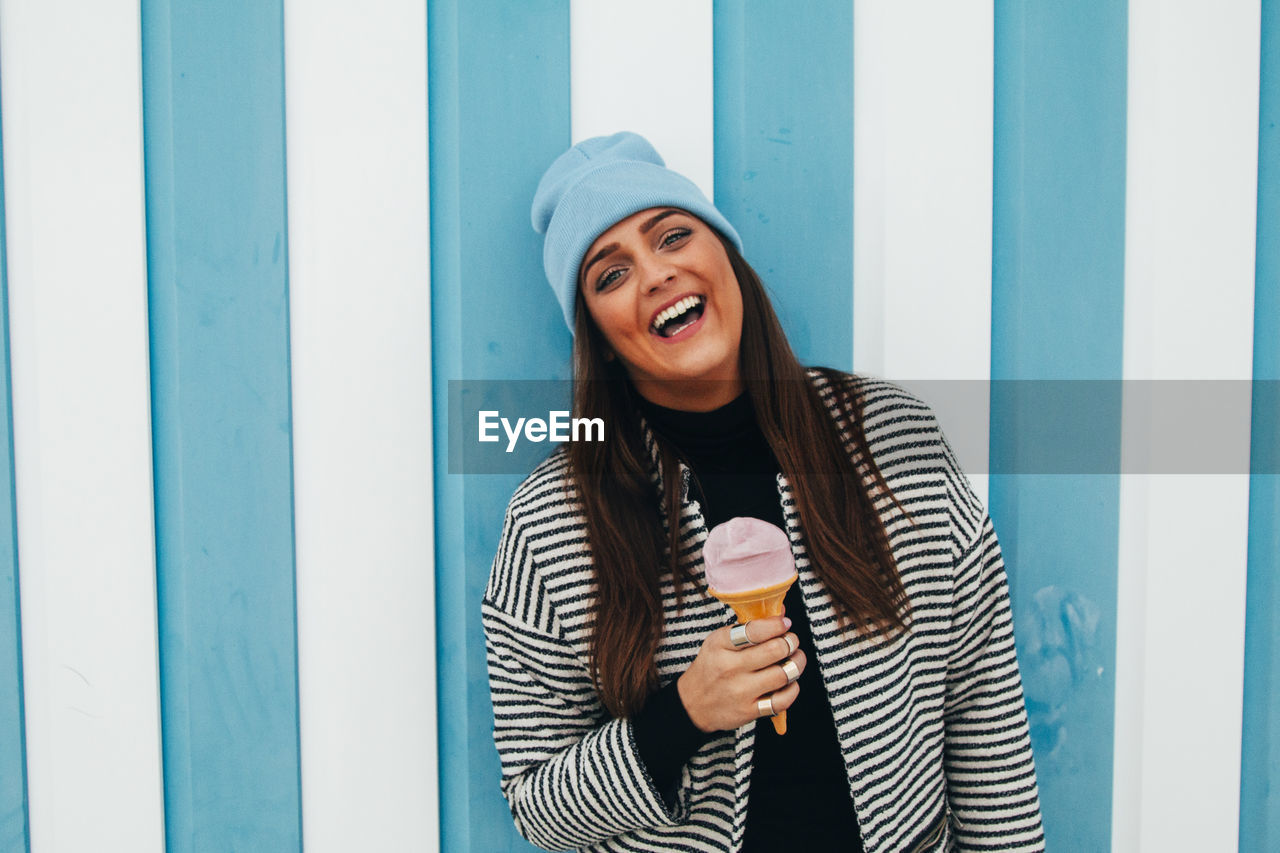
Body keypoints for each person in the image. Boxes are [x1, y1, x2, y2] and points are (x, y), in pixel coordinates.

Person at [482, 131, 1045, 852]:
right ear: (597, 331)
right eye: (610, 274)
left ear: (726, 254)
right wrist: (681, 715)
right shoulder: (551, 520)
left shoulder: (894, 436)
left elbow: (982, 699)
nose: (655, 274)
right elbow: (538, 807)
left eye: (673, 235)